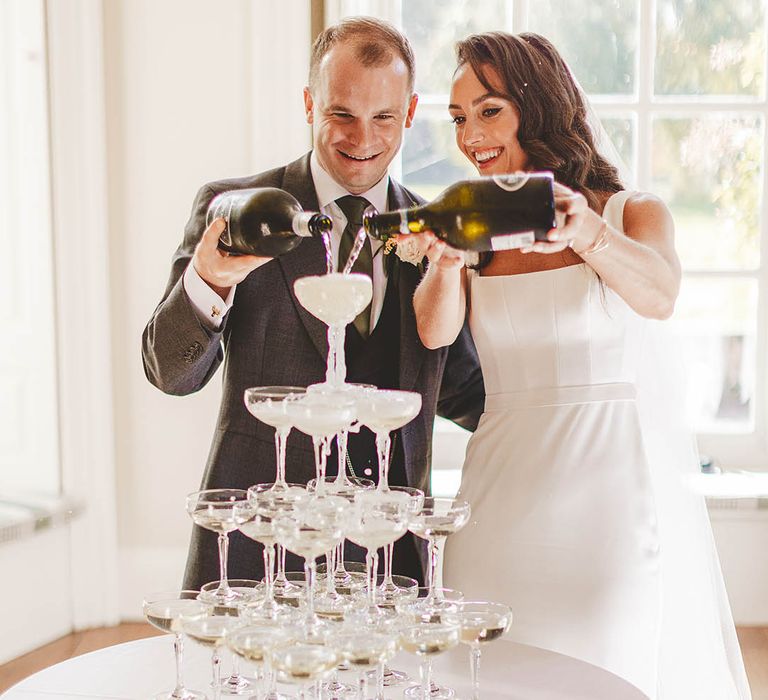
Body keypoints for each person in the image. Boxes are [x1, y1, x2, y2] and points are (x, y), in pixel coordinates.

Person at [412, 31, 751, 699]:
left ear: (534, 107)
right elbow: (433, 331)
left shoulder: (633, 212)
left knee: (603, 672)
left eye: (488, 111)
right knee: (483, 675)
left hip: (604, 509)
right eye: (457, 119)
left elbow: (659, 294)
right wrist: (447, 260)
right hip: (497, 500)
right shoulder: (476, 230)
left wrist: (589, 234)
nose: (470, 136)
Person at [141, 17, 484, 590]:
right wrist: (208, 279)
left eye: (382, 117)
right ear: (309, 103)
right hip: (260, 539)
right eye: (341, 114)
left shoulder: (439, 231)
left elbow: (465, 394)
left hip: (387, 547)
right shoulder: (236, 211)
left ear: (409, 111)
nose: (363, 139)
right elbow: (170, 374)